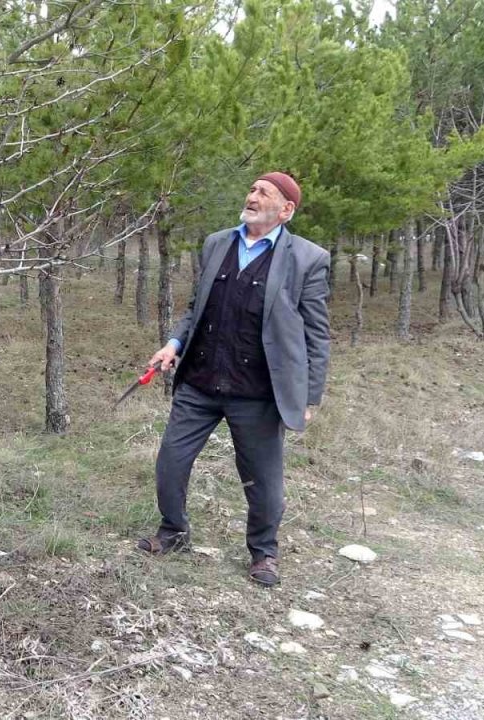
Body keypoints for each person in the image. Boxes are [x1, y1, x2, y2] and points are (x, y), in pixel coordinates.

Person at [136, 172, 330, 587]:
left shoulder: (307, 259)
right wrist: (173, 344)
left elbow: (316, 334)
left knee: (263, 481)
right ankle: (173, 532)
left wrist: (310, 397)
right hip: (200, 382)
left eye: (264, 193)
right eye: (252, 189)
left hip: (257, 393)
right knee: (170, 462)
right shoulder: (217, 243)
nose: (252, 196)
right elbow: (196, 307)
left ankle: (263, 553)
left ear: (286, 210)